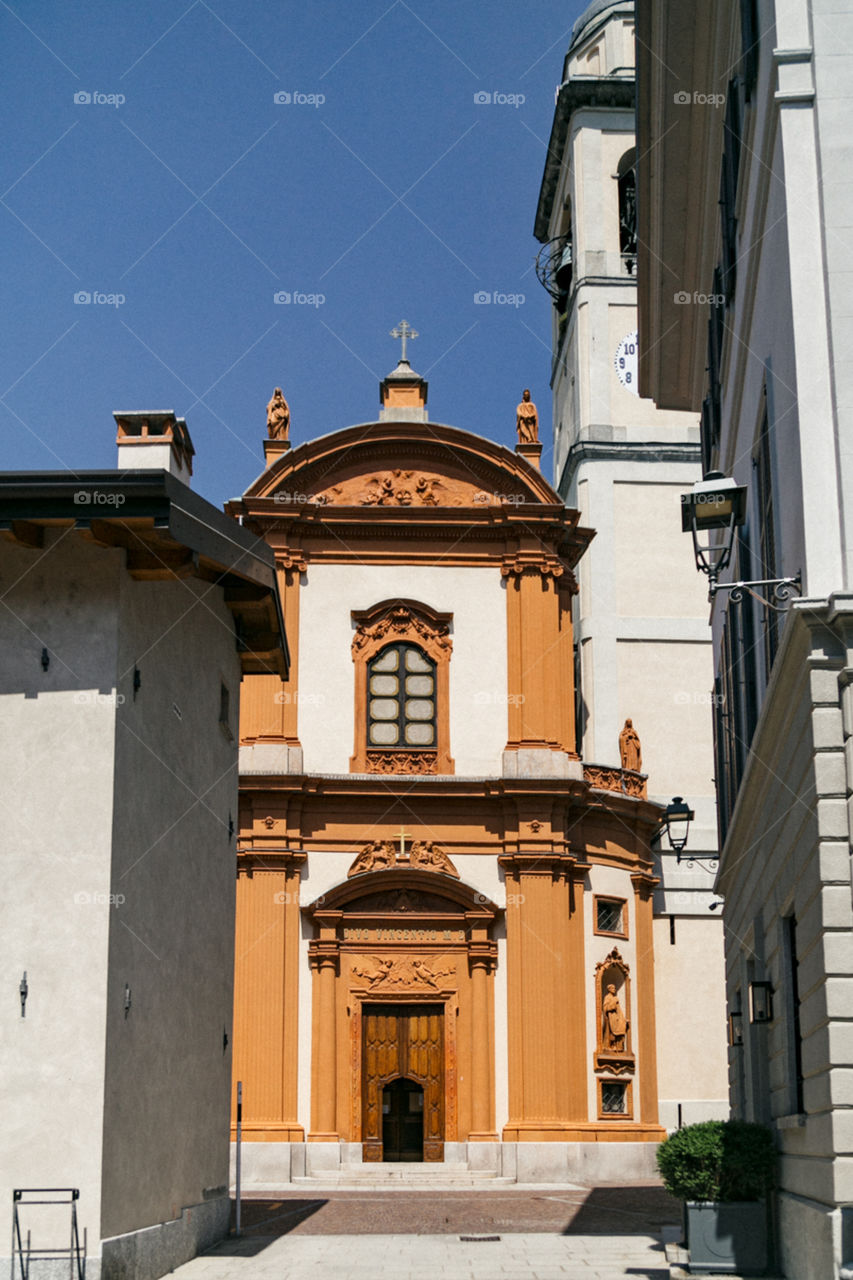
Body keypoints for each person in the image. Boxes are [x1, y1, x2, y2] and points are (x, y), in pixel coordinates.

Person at [602, 982, 627, 1051]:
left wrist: (622, 1018)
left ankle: (618, 1046)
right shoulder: (607, 997)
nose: (614, 989)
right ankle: (611, 1045)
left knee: (621, 1026)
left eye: (615, 988)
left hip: (616, 1017)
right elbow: (605, 1008)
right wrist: (613, 1003)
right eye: (612, 988)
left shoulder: (615, 998)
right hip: (611, 1017)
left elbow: (619, 1010)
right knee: (612, 1032)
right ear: (609, 989)